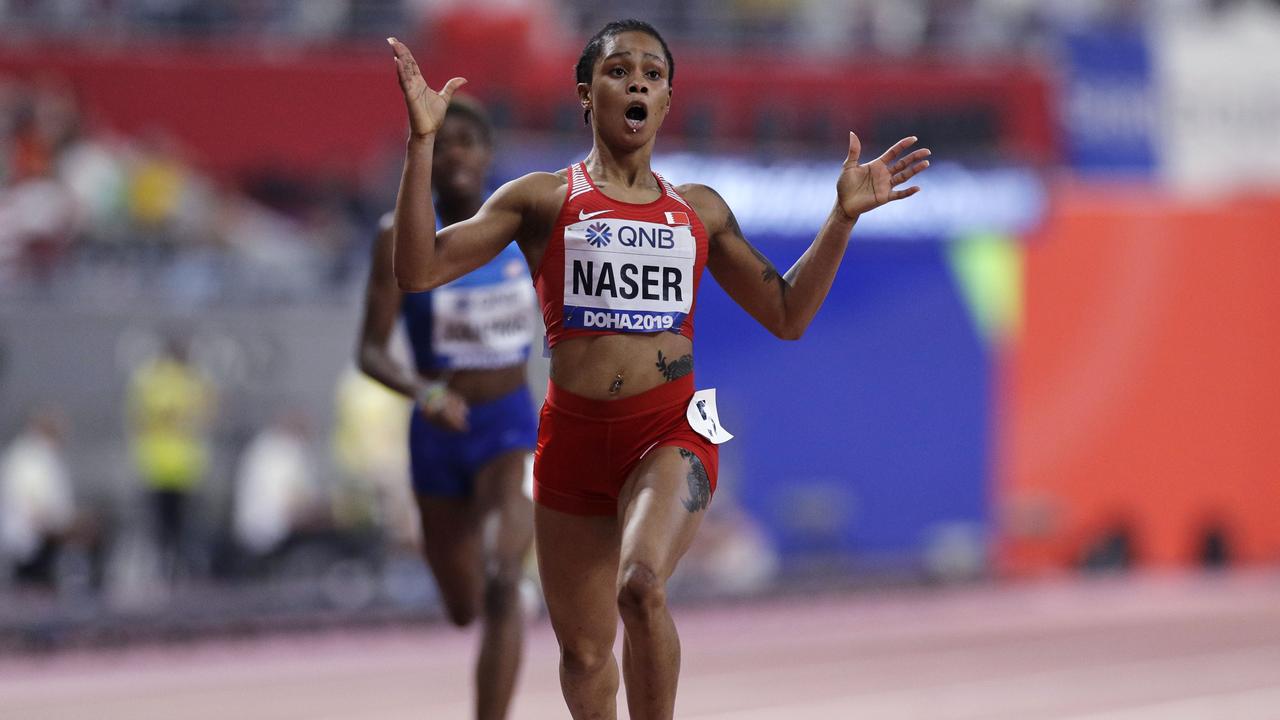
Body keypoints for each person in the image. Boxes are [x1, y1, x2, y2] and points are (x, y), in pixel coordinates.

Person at [386, 19, 930, 719]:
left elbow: (788, 315)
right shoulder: (542, 199)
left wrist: (842, 219)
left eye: (653, 73)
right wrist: (422, 142)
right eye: (620, 71)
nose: (638, 80)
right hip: (573, 442)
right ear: (586, 96)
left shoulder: (698, 210)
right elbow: (416, 267)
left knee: (640, 586)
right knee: (584, 656)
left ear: (668, 101)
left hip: (667, 431)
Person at [356, 95, 539, 720]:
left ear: (489, 155)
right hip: (437, 433)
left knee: (501, 580)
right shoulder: (396, 239)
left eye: (469, 140)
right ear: (427, 158)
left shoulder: (525, 231)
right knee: (464, 606)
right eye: (445, 141)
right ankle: (503, 593)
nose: (457, 150)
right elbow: (371, 353)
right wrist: (425, 393)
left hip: (510, 425)